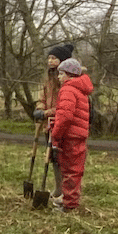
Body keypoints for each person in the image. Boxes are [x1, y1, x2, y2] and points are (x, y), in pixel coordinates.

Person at [51, 58, 93, 212]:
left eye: (61, 74)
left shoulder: (68, 90)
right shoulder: (81, 89)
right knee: (75, 170)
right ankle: (70, 200)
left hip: (70, 137)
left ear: (68, 75)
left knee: (69, 171)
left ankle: (69, 204)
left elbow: (65, 116)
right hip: (79, 134)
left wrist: (56, 133)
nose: (58, 77)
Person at [33, 43, 73, 199]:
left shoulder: (65, 80)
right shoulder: (48, 78)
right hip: (48, 123)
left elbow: (64, 107)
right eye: (49, 58)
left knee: (61, 157)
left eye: (54, 58)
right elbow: (42, 96)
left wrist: (47, 113)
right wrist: (40, 108)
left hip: (61, 123)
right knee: (52, 157)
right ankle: (58, 188)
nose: (50, 61)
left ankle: (66, 190)